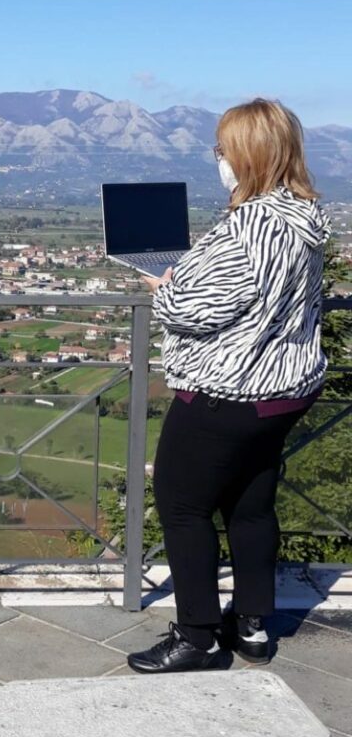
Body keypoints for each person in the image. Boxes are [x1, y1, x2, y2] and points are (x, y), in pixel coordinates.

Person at [127, 98, 329, 673]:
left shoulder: (251, 227)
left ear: (246, 156)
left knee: (183, 506)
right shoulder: (303, 217)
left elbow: (193, 310)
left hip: (228, 391)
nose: (218, 159)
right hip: (285, 389)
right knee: (251, 505)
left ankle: (196, 636)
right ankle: (254, 625)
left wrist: (165, 285)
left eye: (222, 149)